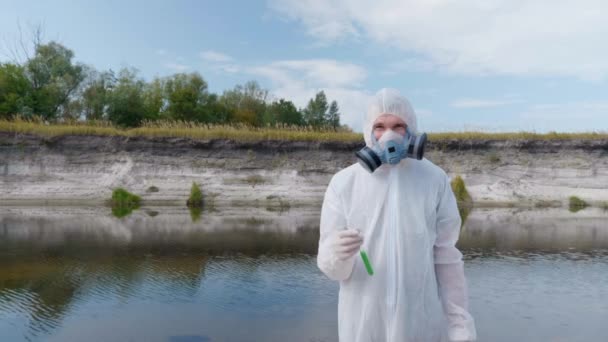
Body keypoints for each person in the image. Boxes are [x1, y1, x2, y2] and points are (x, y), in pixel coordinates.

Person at [317, 88, 477, 342]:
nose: (388, 135)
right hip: (362, 322)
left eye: (398, 126)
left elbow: (447, 258)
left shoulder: (433, 179)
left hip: (420, 321)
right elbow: (334, 270)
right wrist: (335, 256)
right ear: (368, 130)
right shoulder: (344, 183)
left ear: (411, 128)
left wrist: (458, 323)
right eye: (379, 126)